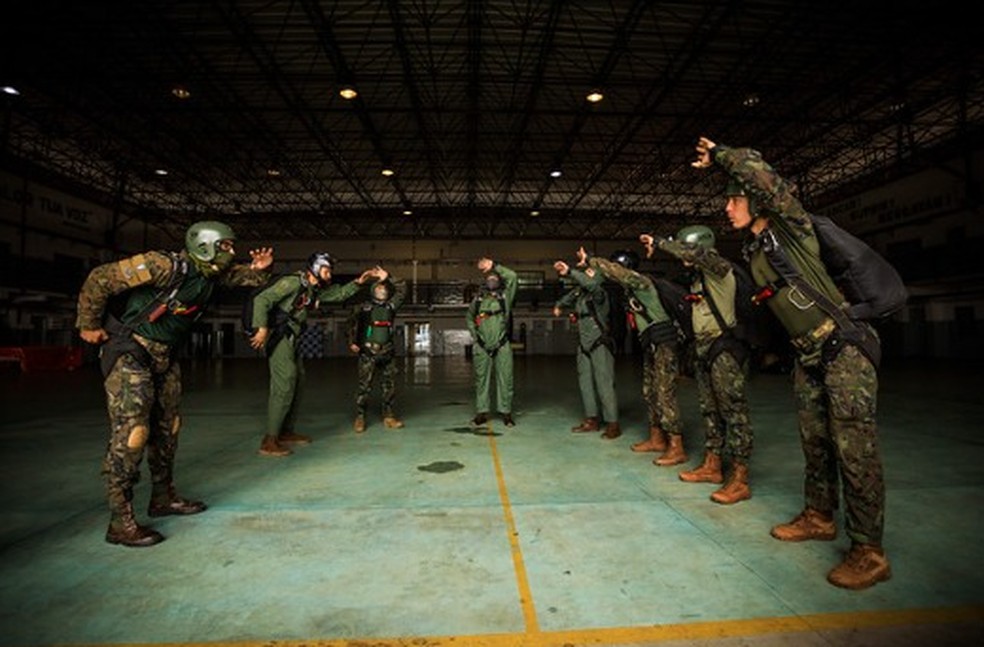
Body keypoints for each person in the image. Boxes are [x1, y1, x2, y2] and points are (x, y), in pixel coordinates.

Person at [692, 135, 890, 589]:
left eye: (735, 200)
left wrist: (724, 157)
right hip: (808, 353)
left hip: (844, 348)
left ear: (758, 201)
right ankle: (820, 516)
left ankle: (869, 550)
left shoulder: (791, 228)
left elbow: (765, 177)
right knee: (816, 442)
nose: (727, 208)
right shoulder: (756, 248)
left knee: (854, 450)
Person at [76, 221, 273, 547]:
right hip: (130, 351)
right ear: (205, 245)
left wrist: (261, 269)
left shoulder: (210, 275)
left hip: (164, 356)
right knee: (133, 434)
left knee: (169, 427)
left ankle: (163, 496)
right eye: (225, 246)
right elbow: (100, 278)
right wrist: (88, 324)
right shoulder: (164, 264)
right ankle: (119, 522)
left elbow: (245, 276)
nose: (231, 252)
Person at [641, 226, 754, 504]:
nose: (683, 257)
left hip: (724, 347)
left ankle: (740, 478)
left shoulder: (717, 267)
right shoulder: (699, 277)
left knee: (732, 410)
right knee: (710, 409)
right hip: (704, 347)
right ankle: (713, 465)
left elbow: (693, 254)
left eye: (684, 249)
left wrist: (661, 241)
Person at [250, 253, 385, 456]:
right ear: (315, 267)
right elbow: (262, 299)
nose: (329, 274)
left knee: (298, 382)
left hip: (293, 338)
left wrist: (359, 282)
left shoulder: (311, 290)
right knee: (285, 382)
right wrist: (260, 328)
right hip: (279, 337)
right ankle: (269, 440)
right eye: (327, 269)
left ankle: (285, 432)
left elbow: (337, 295)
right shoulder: (293, 282)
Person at [580, 246, 687, 466]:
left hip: (664, 343)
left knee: (665, 393)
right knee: (650, 392)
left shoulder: (641, 282)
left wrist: (591, 260)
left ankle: (676, 447)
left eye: (616, 268)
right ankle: (657, 439)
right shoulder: (629, 291)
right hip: (650, 344)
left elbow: (619, 274)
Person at [552, 258, 620, 439]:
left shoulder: (599, 293)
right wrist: (559, 305)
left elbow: (590, 285)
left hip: (599, 342)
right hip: (584, 343)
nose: (586, 275)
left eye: (590, 274)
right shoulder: (581, 294)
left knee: (604, 383)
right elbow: (569, 297)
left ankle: (613, 423)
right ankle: (592, 419)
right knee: (586, 383)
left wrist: (570, 272)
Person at [347, 274, 408, 433]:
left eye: (384, 288)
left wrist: (389, 277)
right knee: (364, 386)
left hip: (387, 351)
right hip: (368, 351)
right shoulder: (362, 307)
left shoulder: (391, 307)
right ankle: (360, 417)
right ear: (373, 290)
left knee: (389, 386)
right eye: (379, 288)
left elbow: (402, 290)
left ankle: (388, 416)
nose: (382, 291)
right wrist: (352, 341)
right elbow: (351, 323)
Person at [467, 257, 518, 427]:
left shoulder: (506, 298)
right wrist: (475, 335)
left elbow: (513, 277)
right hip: (482, 346)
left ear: (499, 281)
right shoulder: (479, 300)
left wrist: (495, 265)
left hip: (502, 345)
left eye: (495, 278)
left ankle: (506, 413)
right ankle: (482, 412)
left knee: (506, 379)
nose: (492, 280)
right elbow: (469, 317)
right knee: (481, 380)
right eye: (489, 278)